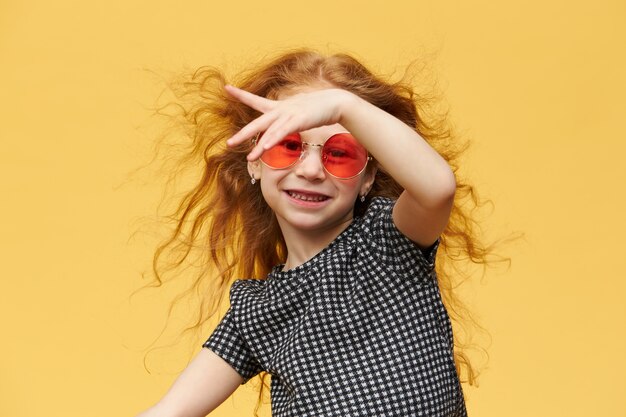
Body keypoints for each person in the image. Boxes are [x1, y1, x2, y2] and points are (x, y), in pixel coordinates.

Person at [136, 49, 492, 417]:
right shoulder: (257, 311)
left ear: (369, 176)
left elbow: (436, 188)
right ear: (254, 162)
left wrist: (343, 106)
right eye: (288, 145)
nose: (310, 169)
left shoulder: (387, 243)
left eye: (340, 153)